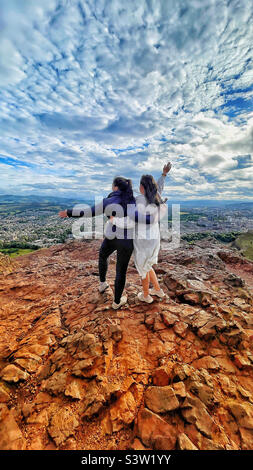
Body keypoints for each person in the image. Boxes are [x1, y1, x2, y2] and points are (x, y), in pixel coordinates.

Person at [59, 176, 157, 309]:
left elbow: (89, 212)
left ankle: (102, 283)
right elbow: (142, 218)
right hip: (126, 241)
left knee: (103, 255)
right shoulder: (132, 201)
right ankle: (117, 302)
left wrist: (69, 212)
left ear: (115, 187)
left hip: (111, 237)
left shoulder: (108, 201)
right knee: (120, 271)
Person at [110, 162, 171, 304]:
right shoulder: (157, 197)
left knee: (143, 268)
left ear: (142, 187)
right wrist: (164, 174)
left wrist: (114, 220)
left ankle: (146, 296)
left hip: (143, 241)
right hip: (155, 238)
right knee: (148, 265)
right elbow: (159, 187)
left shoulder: (138, 201)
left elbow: (130, 222)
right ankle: (157, 289)